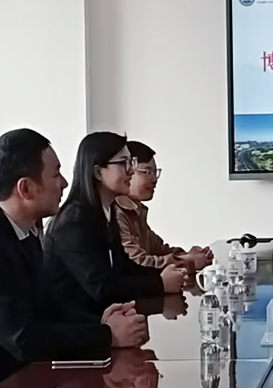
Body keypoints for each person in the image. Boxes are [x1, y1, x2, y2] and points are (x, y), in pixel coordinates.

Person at [0, 129, 149, 388]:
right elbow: (24, 340)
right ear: (25, 189)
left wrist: (101, 322)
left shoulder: (21, 232)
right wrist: (108, 335)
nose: (64, 183)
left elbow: (48, 309)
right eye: (55, 174)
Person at [43, 132, 188, 318]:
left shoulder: (106, 210)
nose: (131, 171)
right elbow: (102, 288)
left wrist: (163, 274)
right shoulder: (75, 221)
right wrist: (160, 283)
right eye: (123, 163)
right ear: (97, 172)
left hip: (102, 318)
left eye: (131, 162)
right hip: (76, 325)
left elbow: (124, 267)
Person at [115, 140, 212, 272]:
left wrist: (189, 255)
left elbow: (160, 249)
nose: (154, 179)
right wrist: (188, 261)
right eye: (147, 172)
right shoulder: (117, 213)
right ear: (129, 171)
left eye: (155, 172)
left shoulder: (137, 211)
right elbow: (138, 262)